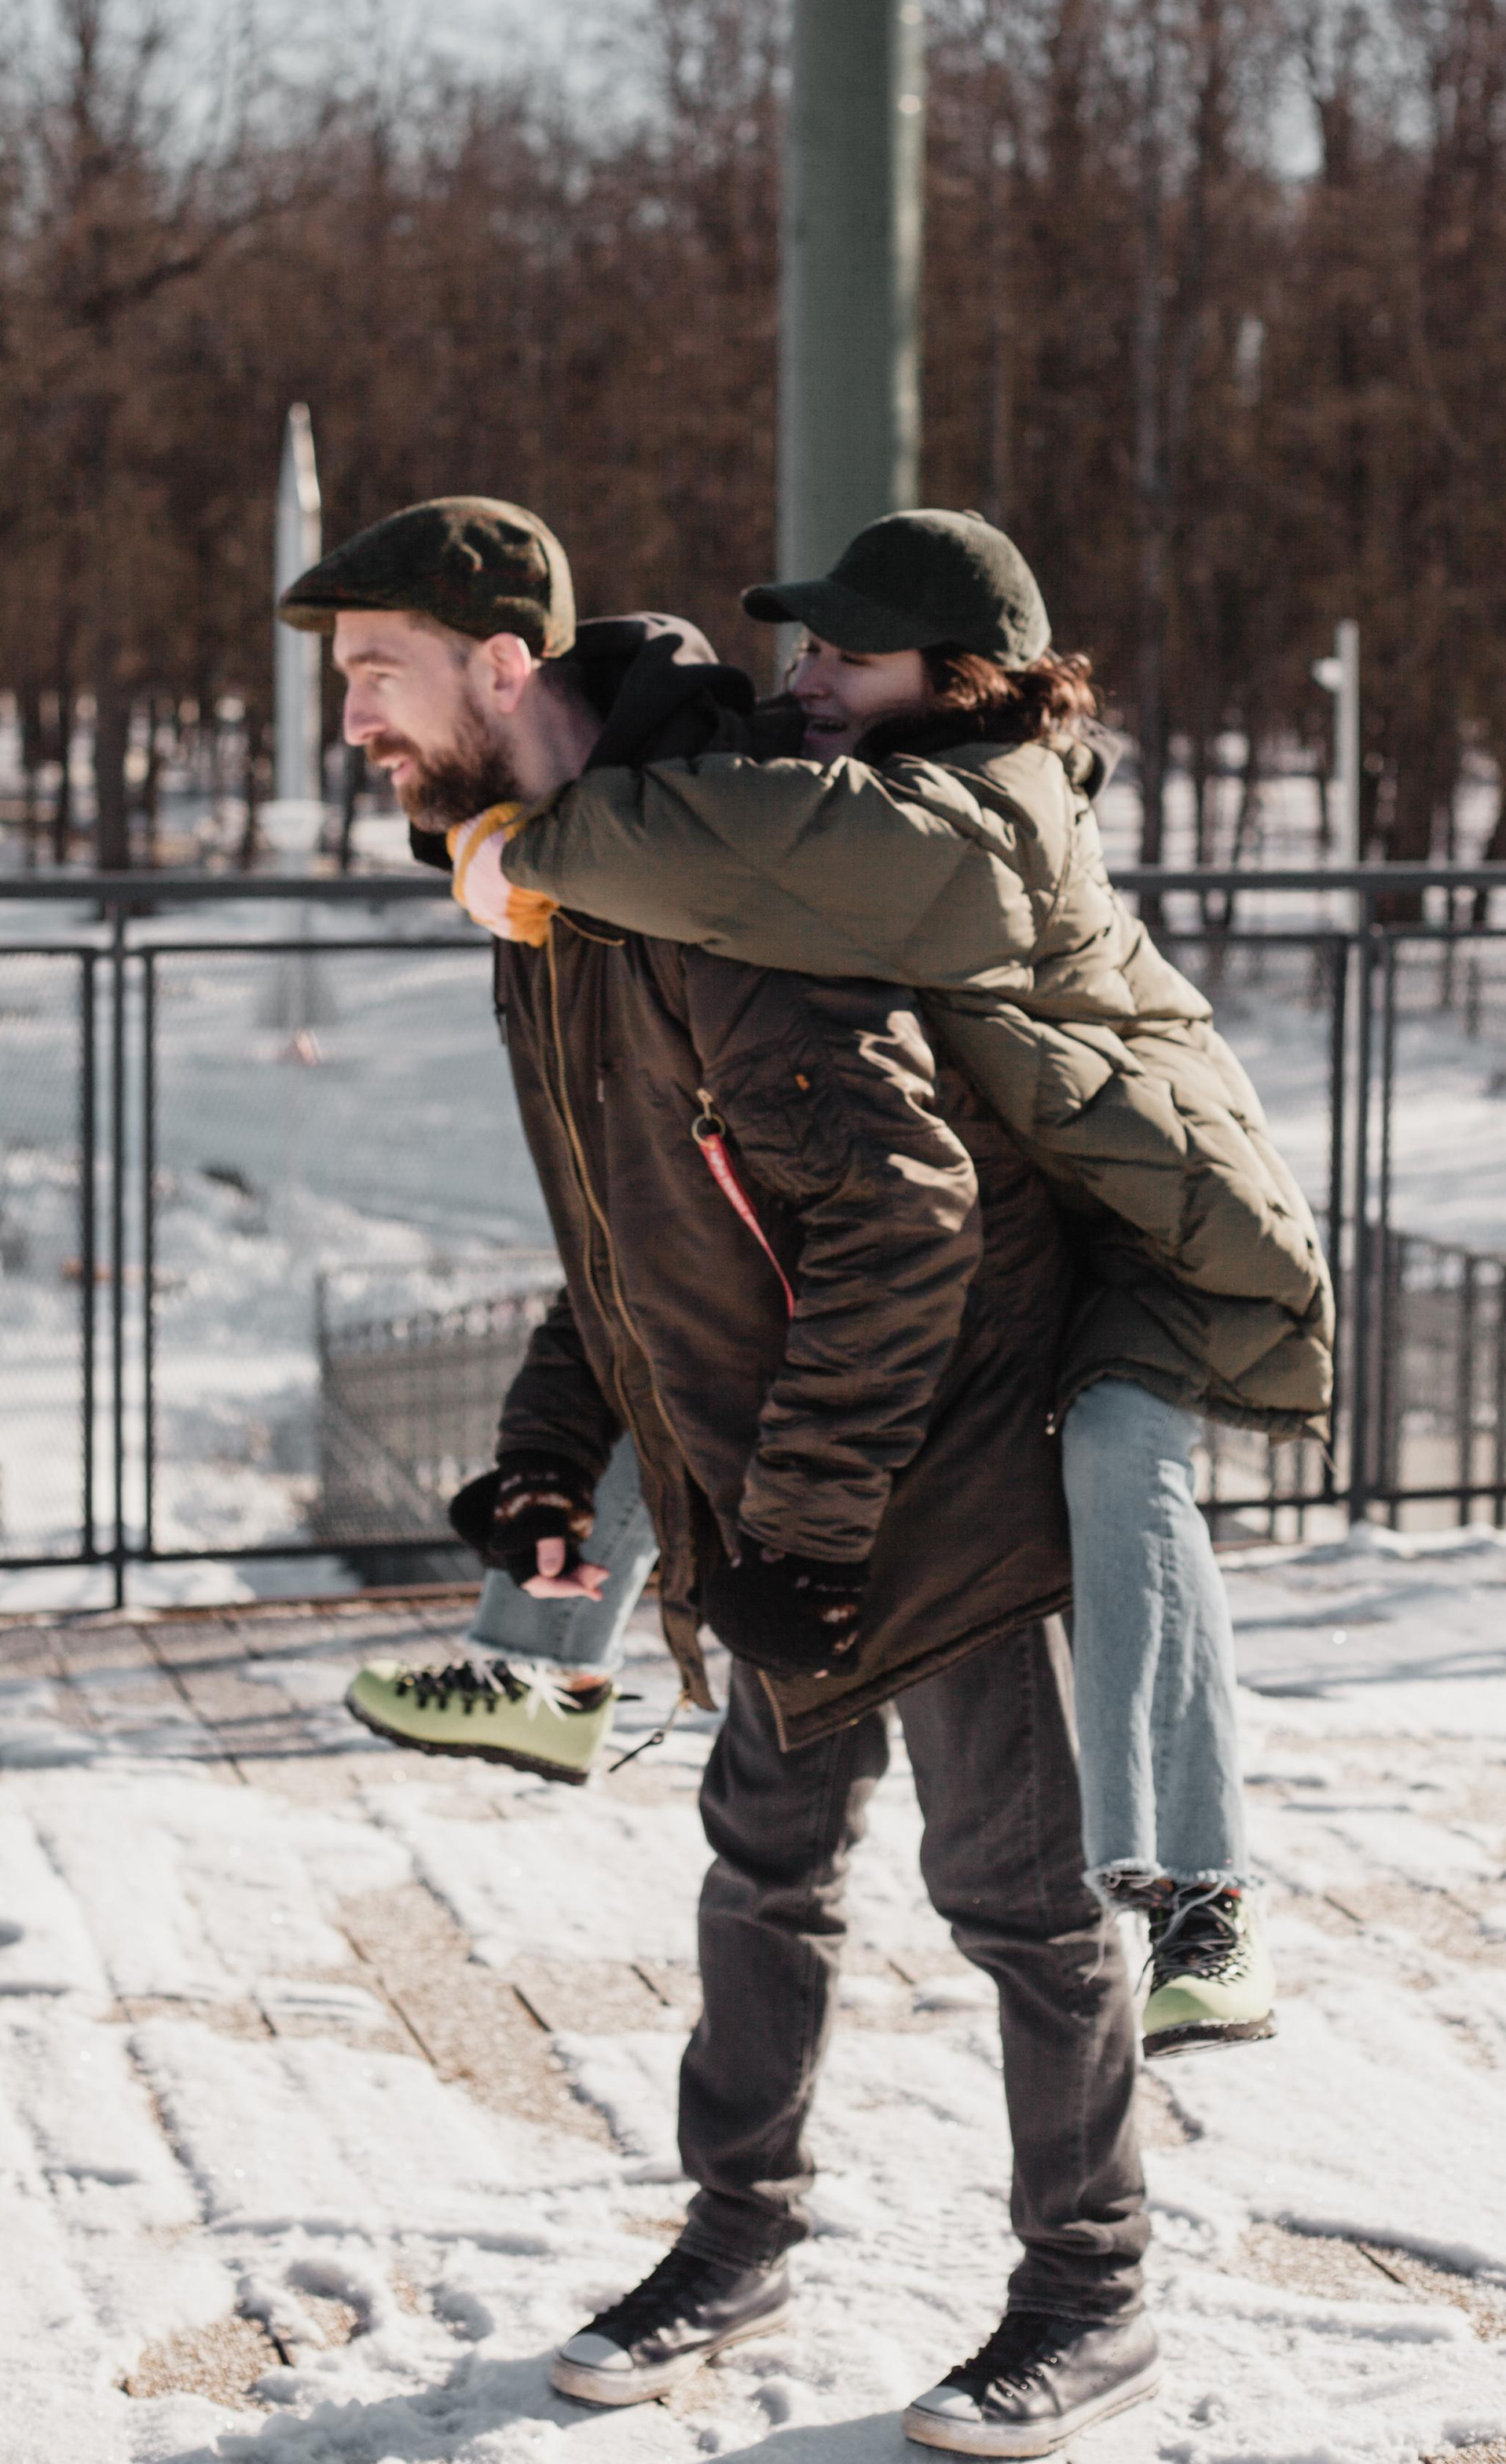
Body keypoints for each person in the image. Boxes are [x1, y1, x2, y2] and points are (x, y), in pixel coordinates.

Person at [279, 497, 1159, 2455]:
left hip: (947, 1462)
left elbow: (906, 1216)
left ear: (498, 665)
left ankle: (1088, 2291)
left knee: (1016, 1903)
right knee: (764, 1869)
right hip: (783, 1481)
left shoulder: (716, 874)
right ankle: (736, 2239)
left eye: (375, 673)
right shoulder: (562, 885)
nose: (350, 718)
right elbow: (641, 1227)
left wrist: (810, 1528)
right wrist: (547, 1457)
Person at [383, 508, 1333, 2059]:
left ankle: (1201, 1896)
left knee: (1118, 1461)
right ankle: (545, 1659)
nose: (808, 676)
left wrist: (519, 851)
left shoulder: (983, 816)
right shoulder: (861, 774)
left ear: (961, 679)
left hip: (1151, 1240)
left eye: (850, 655)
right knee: (696, 1297)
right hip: (1035, 1225)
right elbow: (698, 781)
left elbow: (731, 840)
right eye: (805, 648)